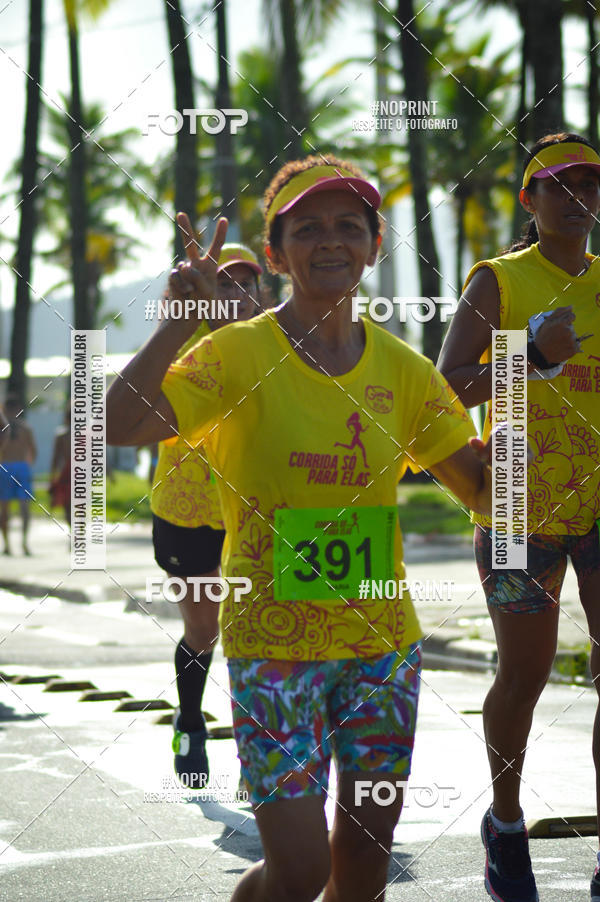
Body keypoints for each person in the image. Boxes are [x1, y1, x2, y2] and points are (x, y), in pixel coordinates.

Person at [107, 154, 494, 902]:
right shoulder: (237, 351)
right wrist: (174, 329)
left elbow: (481, 495)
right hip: (271, 652)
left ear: (375, 246)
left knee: (364, 871)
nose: (331, 241)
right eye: (307, 227)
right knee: (300, 870)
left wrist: (512, 457)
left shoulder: (408, 372)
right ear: (278, 252)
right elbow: (120, 424)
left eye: (349, 226)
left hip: (381, 653)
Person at [438, 132, 600, 902]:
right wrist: (529, 353)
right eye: (558, 186)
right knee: (526, 675)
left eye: (590, 185)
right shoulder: (496, 280)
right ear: (530, 202)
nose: (577, 199)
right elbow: (445, 389)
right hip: (514, 508)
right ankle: (504, 824)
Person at [150, 243, 263, 788]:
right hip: (188, 512)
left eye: (248, 282)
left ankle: (256, 752)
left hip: (257, 511)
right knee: (204, 628)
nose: (238, 292)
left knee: (255, 631)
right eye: (226, 283)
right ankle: (190, 720)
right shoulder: (187, 339)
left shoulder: (281, 341)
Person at [0, 397, 37, 556]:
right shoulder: (25, 428)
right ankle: (20, 543)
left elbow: (33, 450)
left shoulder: (10, 429)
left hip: (7, 466)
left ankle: (12, 544)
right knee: (20, 508)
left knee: (9, 508)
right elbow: (33, 451)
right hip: (19, 467)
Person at [49, 406, 71, 527]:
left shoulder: (61, 434)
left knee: (67, 504)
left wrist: (52, 476)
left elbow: (55, 458)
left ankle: (74, 532)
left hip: (66, 471)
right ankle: (79, 532)